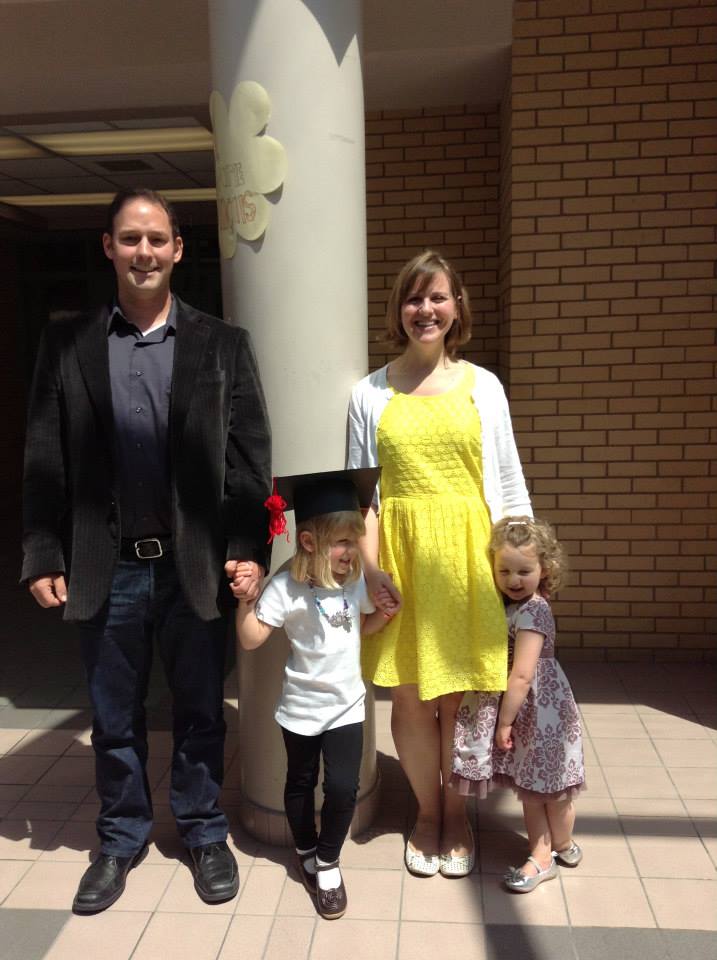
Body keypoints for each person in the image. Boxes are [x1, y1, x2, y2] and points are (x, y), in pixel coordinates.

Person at [21, 187, 271, 913]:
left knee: (200, 710)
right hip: (108, 564)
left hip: (195, 565)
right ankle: (121, 837)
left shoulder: (222, 344)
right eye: (130, 238)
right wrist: (43, 549)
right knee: (114, 717)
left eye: (157, 238)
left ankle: (202, 830)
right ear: (108, 247)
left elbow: (248, 459)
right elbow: (44, 456)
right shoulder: (67, 343)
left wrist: (248, 545)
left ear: (178, 249)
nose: (144, 252)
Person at [347, 250, 532, 878]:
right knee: (407, 698)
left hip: (469, 558)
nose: (425, 309)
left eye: (437, 297)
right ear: (398, 309)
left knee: (458, 698)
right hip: (398, 561)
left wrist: (522, 569)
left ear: (456, 307)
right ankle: (426, 814)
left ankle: (457, 814)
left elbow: (508, 482)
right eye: (413, 298)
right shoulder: (369, 392)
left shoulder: (485, 386)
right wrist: (370, 571)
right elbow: (362, 494)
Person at [234, 468, 399, 919]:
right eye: (343, 542)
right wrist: (246, 601)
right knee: (300, 782)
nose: (352, 551)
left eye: (355, 540)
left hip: (347, 707)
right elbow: (251, 638)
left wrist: (384, 614)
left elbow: (362, 626)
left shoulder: (355, 581)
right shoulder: (285, 586)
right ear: (308, 542)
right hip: (301, 710)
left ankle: (327, 861)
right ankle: (305, 848)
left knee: (343, 788)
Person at [452, 516, 585, 893]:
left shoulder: (534, 610)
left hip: (539, 712)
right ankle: (545, 855)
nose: (513, 579)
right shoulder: (510, 606)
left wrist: (504, 722)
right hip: (529, 708)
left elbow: (523, 674)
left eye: (524, 571)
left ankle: (560, 845)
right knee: (535, 789)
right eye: (504, 570)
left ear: (545, 569)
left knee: (550, 792)